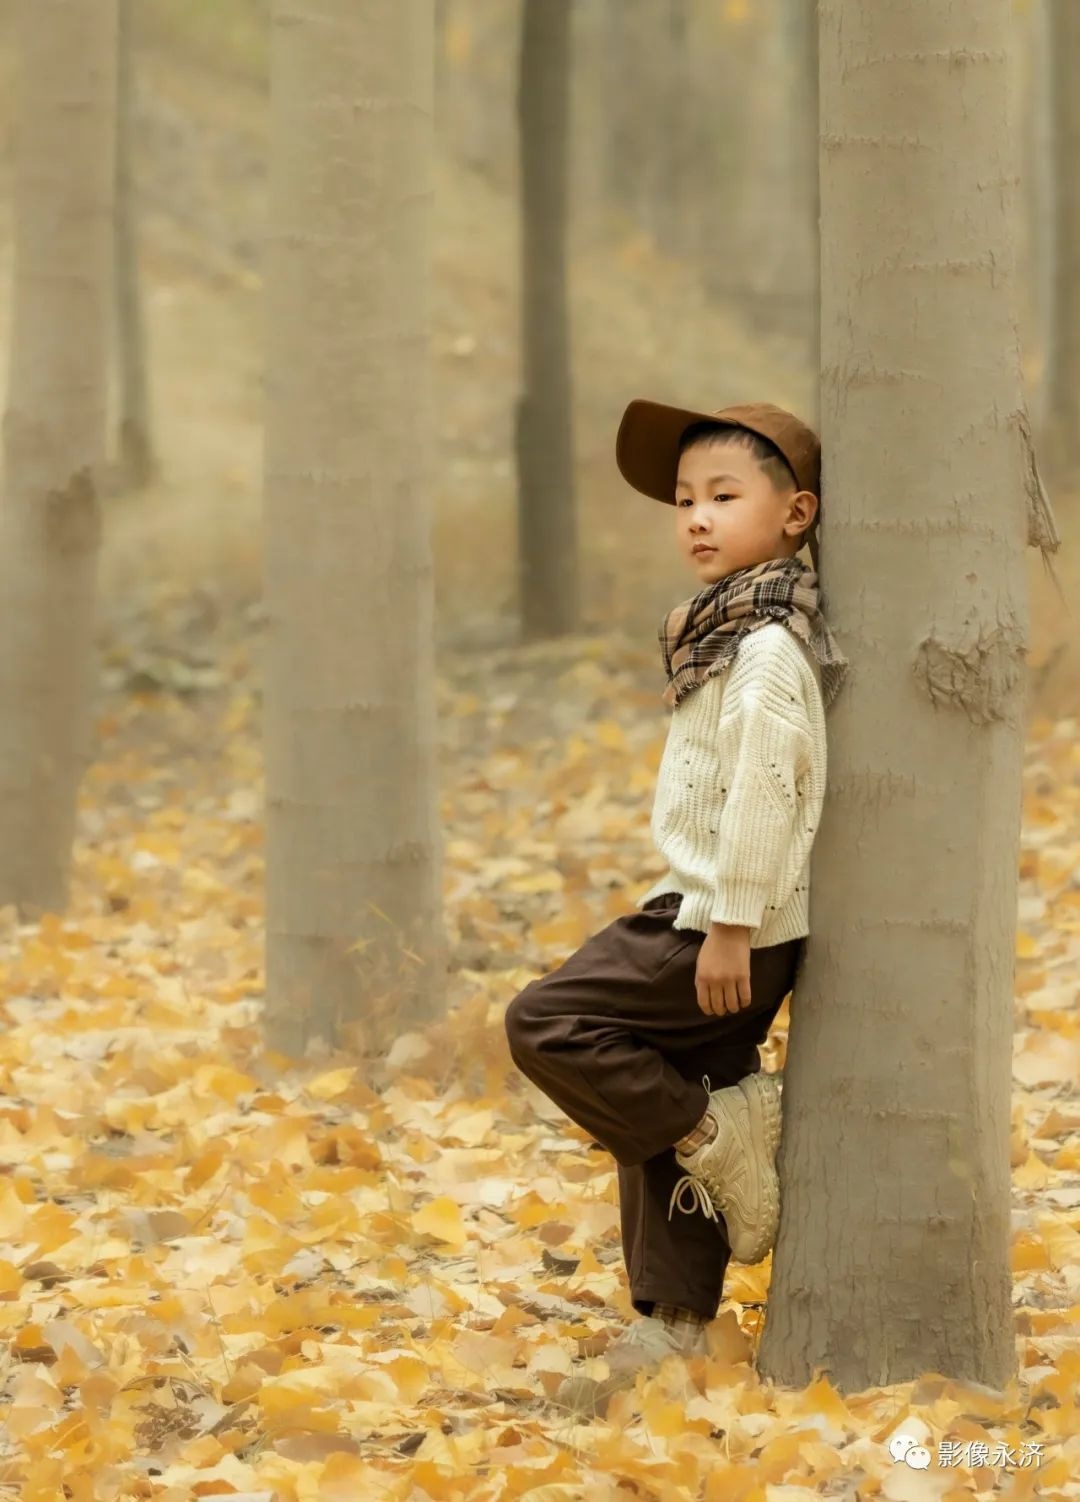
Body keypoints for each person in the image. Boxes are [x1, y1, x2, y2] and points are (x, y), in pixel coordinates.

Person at [503, 399, 850, 1416]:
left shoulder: (767, 650)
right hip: (714, 912)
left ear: (796, 513)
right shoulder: (728, 628)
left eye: (724, 496)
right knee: (659, 1085)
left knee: (549, 1021)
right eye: (685, 500)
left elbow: (764, 789)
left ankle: (714, 1130)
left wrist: (731, 919)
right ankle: (673, 1321)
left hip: (720, 922)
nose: (695, 516)